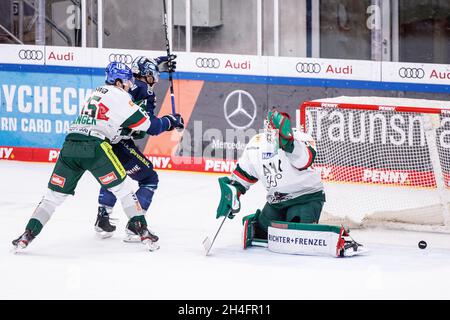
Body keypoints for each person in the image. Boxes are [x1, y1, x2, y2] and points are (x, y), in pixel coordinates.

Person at [12, 61, 169, 252]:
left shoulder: (95, 92)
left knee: (52, 197)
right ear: (118, 82)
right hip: (95, 146)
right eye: (127, 81)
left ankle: (27, 235)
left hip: (70, 146)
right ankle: (143, 232)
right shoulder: (120, 96)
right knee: (124, 189)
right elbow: (148, 126)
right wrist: (170, 121)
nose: (129, 85)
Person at [94, 55, 184, 242]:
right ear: (147, 74)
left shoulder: (129, 83)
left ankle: (103, 216)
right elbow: (148, 125)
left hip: (103, 139)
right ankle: (136, 226)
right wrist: (170, 121)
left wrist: (157, 62)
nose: (156, 77)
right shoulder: (144, 90)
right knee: (149, 178)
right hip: (119, 141)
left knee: (116, 174)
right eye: (154, 73)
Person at [216, 109, 326, 248]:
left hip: (306, 197)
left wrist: (288, 143)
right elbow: (243, 175)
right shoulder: (256, 144)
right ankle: (258, 220)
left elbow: (304, 160)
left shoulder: (301, 137)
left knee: (298, 233)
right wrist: (233, 192)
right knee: (261, 233)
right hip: (277, 201)